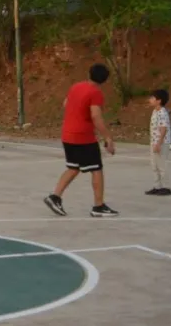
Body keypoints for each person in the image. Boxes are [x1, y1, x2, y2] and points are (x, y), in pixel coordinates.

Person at [44, 63, 119, 217]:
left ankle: (55, 197)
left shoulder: (76, 86)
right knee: (96, 169)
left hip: (67, 134)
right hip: (83, 137)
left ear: (89, 74)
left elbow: (65, 104)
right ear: (105, 80)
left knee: (74, 167)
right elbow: (96, 116)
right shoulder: (95, 93)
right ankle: (98, 206)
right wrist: (107, 137)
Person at [146, 89, 171, 196]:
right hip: (154, 142)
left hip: (161, 143)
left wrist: (159, 143)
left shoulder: (162, 112)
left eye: (152, 98)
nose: (150, 100)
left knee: (161, 165)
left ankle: (165, 187)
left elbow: (163, 129)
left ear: (159, 101)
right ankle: (157, 186)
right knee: (154, 165)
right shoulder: (155, 111)